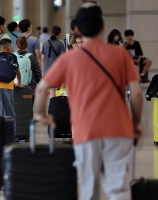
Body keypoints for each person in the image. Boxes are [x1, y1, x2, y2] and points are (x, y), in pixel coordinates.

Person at [34, 3, 143, 200]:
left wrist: (42, 115)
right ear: (103, 27)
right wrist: (135, 122)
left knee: (88, 189)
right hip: (118, 130)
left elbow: (42, 88)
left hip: (86, 131)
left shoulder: (70, 58)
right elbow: (135, 93)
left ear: (77, 30)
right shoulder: (120, 54)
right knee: (119, 190)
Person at [0, 39, 22, 129]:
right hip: (8, 86)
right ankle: (11, 132)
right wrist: (19, 82)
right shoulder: (13, 57)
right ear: (8, 48)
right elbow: (17, 71)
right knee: (9, 111)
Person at [41, 25, 65, 98]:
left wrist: (43, 70)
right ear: (59, 33)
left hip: (47, 70)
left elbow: (42, 58)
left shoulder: (44, 44)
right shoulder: (60, 43)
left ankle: (52, 106)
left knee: (51, 89)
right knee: (59, 89)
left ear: (51, 32)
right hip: (57, 70)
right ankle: (58, 104)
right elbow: (63, 59)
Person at [15, 36, 42, 100]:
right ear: (27, 46)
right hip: (29, 89)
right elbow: (38, 75)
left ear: (16, 45)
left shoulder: (12, 56)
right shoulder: (32, 57)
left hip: (14, 88)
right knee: (28, 108)